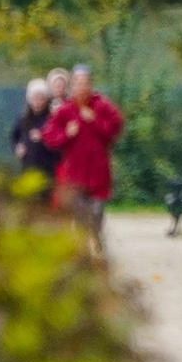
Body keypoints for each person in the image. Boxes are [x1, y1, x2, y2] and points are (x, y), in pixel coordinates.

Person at [41, 66, 124, 239]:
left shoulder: (102, 106)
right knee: (79, 212)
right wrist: (66, 134)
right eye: (77, 84)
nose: (81, 88)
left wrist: (95, 121)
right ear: (72, 86)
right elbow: (49, 135)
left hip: (98, 171)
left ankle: (95, 237)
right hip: (75, 173)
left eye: (85, 84)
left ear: (90, 85)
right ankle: (84, 244)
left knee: (96, 211)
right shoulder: (66, 109)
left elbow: (116, 128)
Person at [11, 77, 57, 192]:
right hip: (27, 167)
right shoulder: (23, 119)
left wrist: (43, 137)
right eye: (34, 98)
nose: (37, 102)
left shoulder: (52, 118)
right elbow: (14, 137)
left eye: (41, 98)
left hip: (47, 168)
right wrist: (17, 147)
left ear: (46, 100)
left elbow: (58, 144)